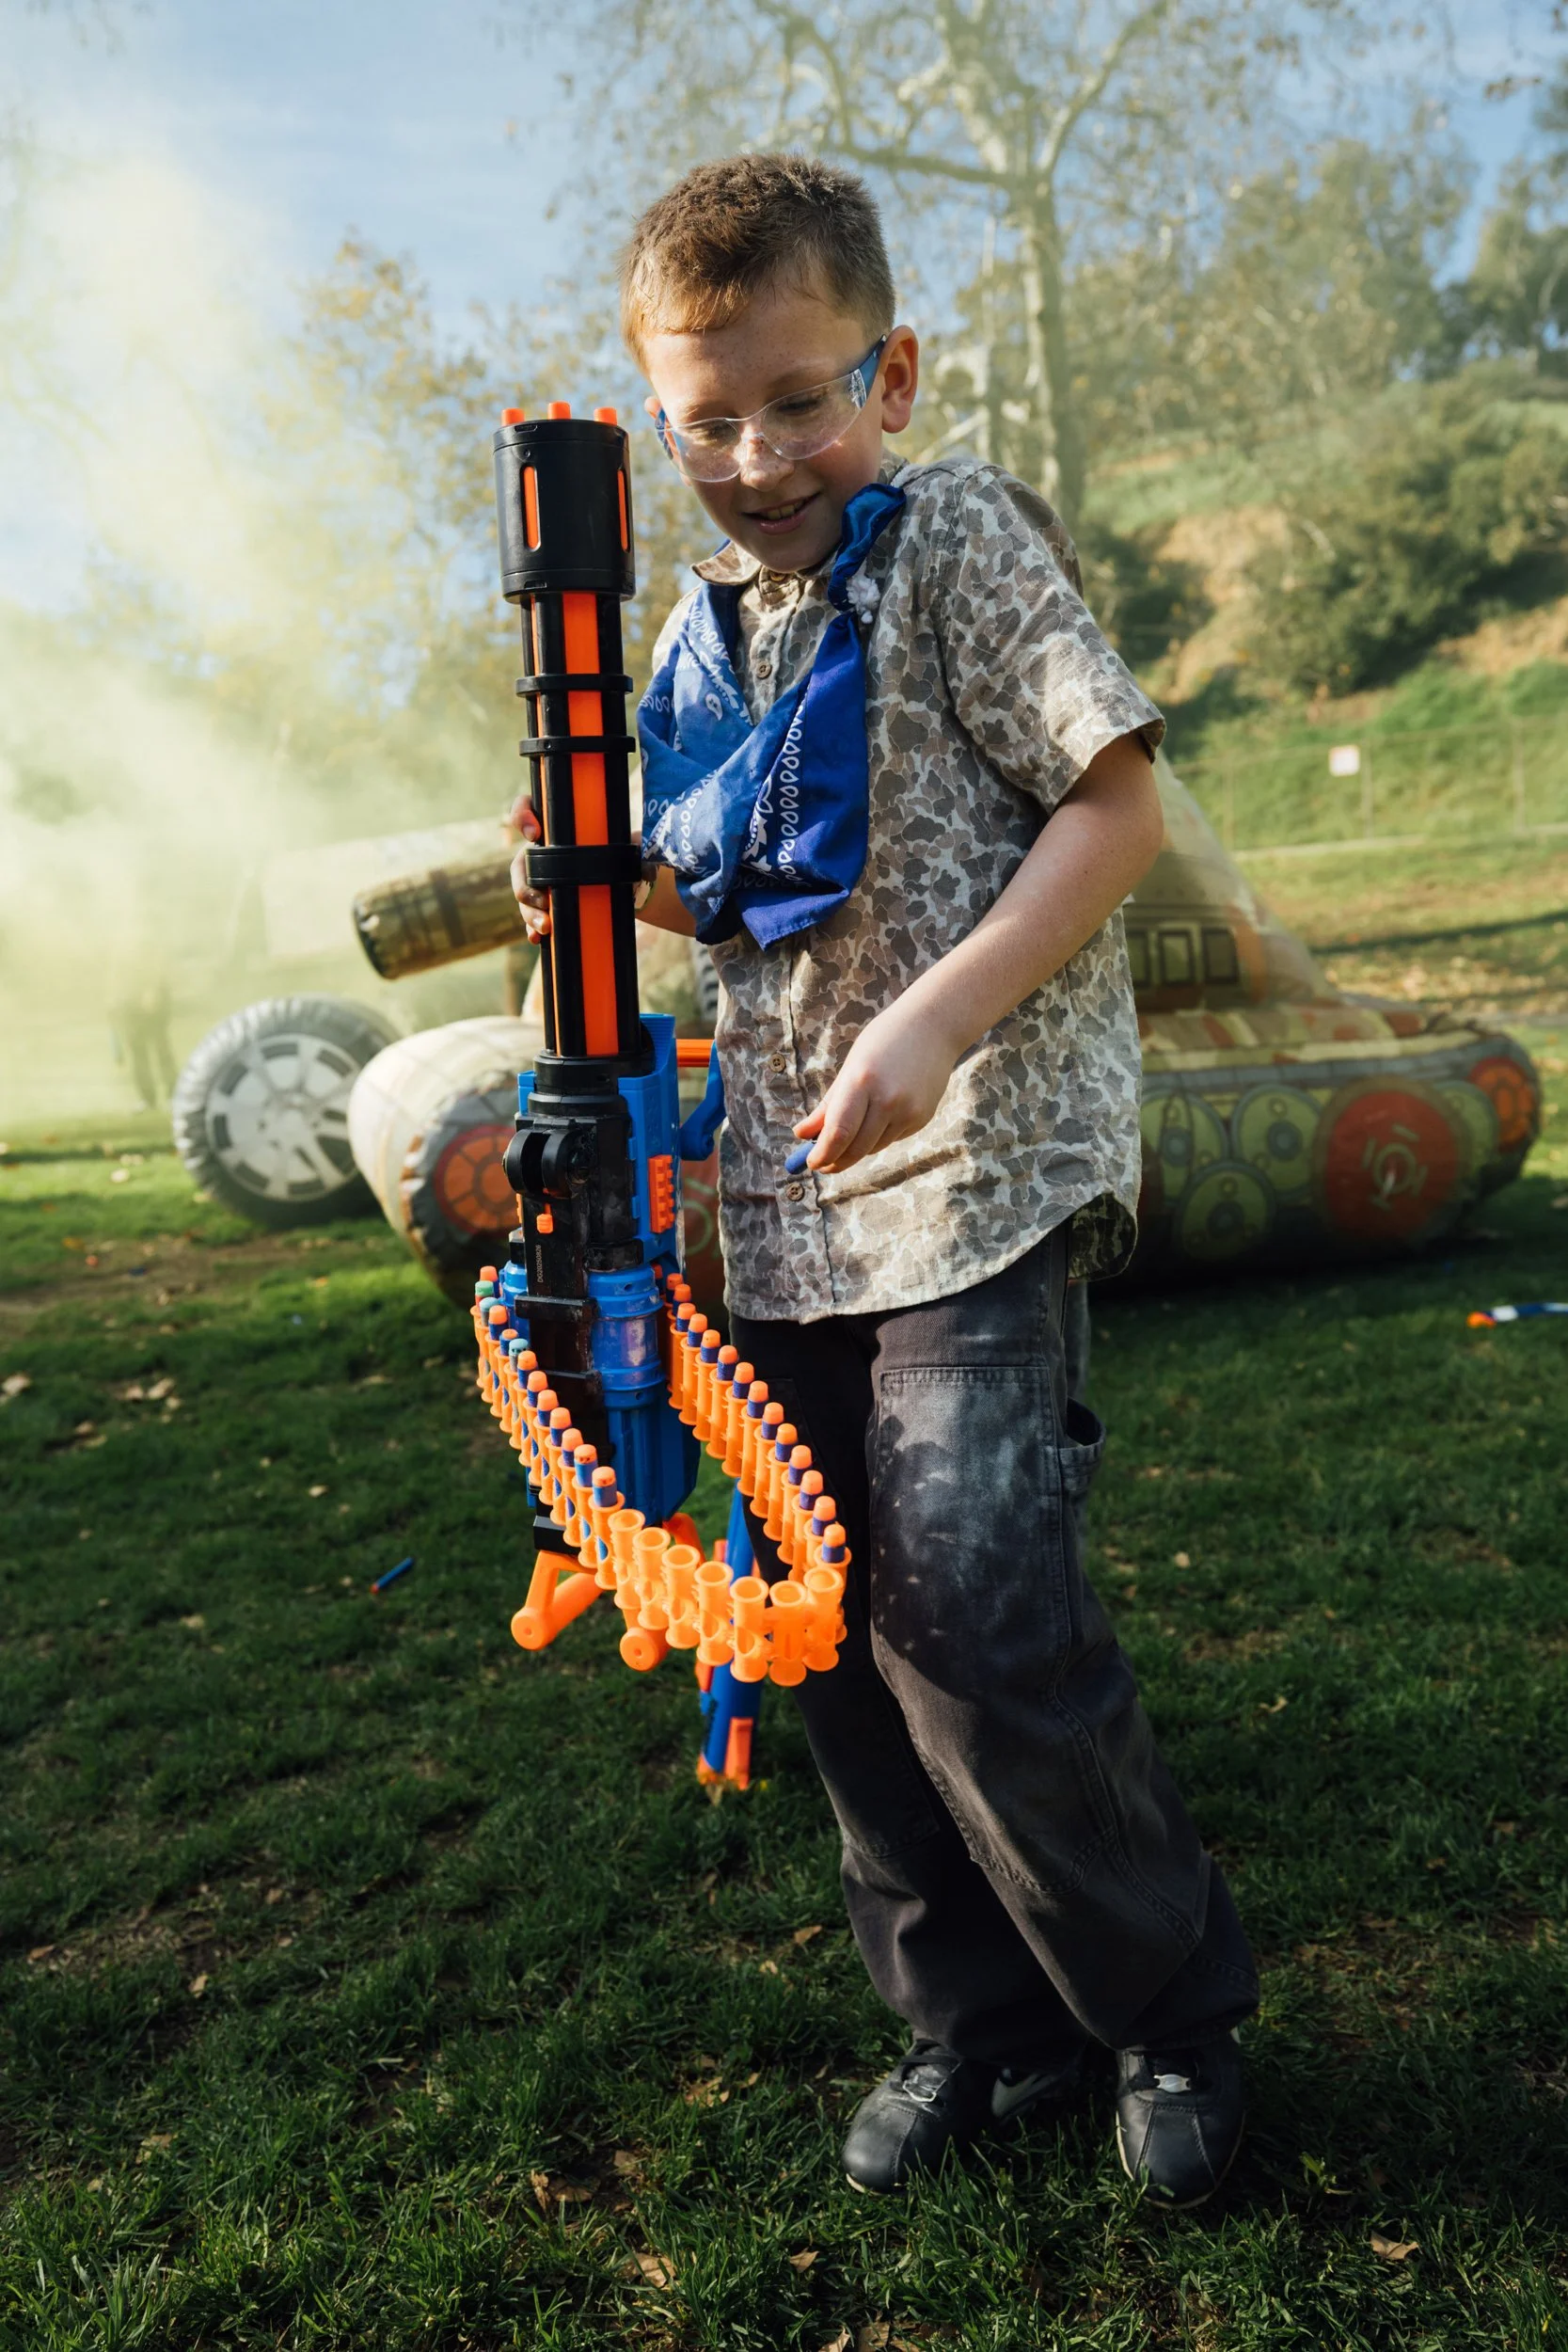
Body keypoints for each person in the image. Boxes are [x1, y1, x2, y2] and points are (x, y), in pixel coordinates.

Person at [512, 152, 1257, 2208]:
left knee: (971, 1609)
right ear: (657, 421)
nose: (757, 457)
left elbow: (1111, 804)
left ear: (891, 375)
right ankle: (978, 2027)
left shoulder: (956, 540)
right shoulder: (695, 637)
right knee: (828, 1637)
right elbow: (735, 886)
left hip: (973, 1164)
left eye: (800, 400)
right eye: (708, 421)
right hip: (779, 1205)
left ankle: (1162, 2009)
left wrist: (931, 1021)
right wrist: (590, 875)